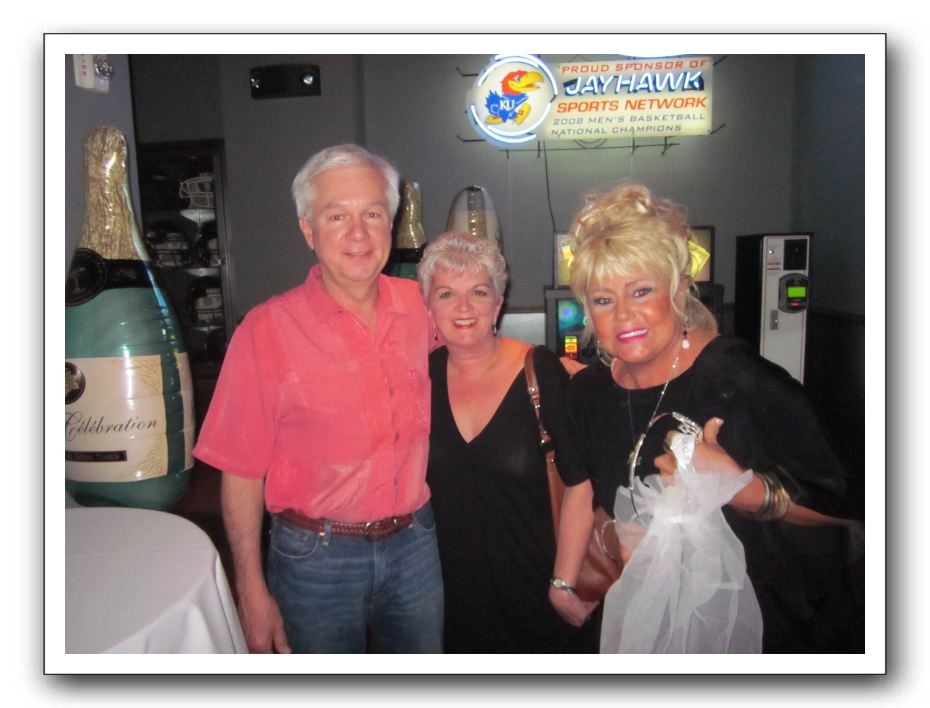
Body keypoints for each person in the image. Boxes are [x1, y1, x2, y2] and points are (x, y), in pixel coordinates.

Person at [564, 183, 863, 653]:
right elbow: (599, 500)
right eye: (603, 299)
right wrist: (611, 535)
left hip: (768, 631)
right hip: (655, 629)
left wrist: (747, 490)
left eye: (641, 291)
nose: (624, 315)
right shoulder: (589, 395)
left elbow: (850, 502)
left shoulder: (737, 379)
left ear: (679, 289)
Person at [192, 144, 443, 654]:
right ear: (308, 231)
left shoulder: (424, 308)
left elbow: (480, 354)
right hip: (314, 562)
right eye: (337, 216)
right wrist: (249, 586)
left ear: (391, 224)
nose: (358, 233)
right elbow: (240, 470)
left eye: (372, 213)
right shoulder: (265, 332)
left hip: (415, 546)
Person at [417, 231, 599, 653]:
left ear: (498, 304)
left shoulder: (539, 370)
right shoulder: (421, 377)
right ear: (428, 307)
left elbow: (581, 483)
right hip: (452, 605)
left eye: (478, 292)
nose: (463, 307)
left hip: (540, 596)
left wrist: (563, 582)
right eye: (446, 294)